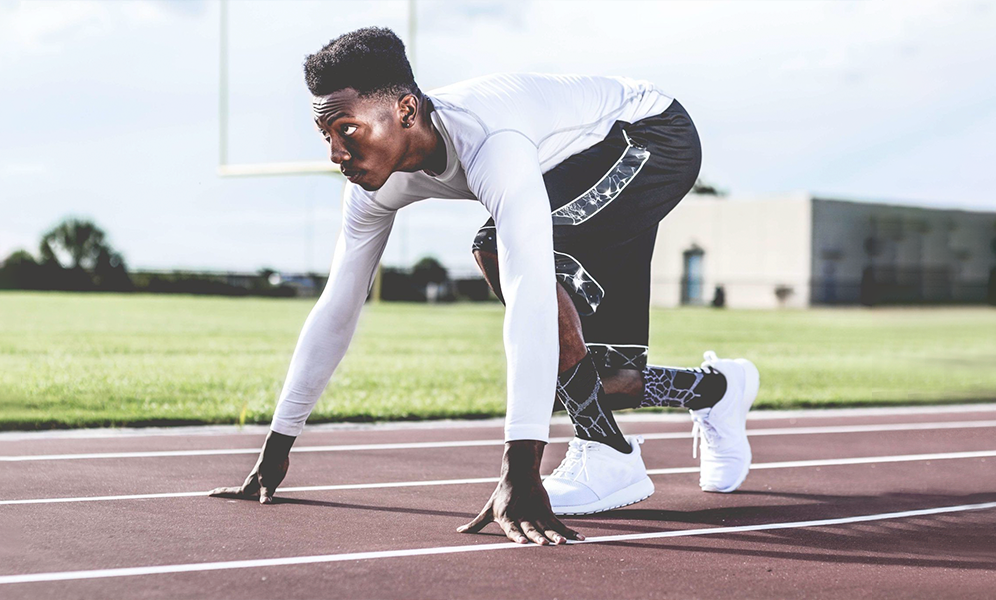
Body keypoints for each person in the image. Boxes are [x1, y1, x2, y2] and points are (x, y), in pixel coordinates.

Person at [210, 27, 759, 545]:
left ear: (406, 110)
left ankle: (607, 450)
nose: (335, 153)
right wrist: (276, 450)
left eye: (347, 129)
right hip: (570, 165)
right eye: (325, 134)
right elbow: (338, 307)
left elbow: (528, 293)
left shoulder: (491, 141)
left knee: (499, 249)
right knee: (609, 379)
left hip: (650, 137)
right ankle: (717, 390)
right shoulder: (371, 188)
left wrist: (520, 471)